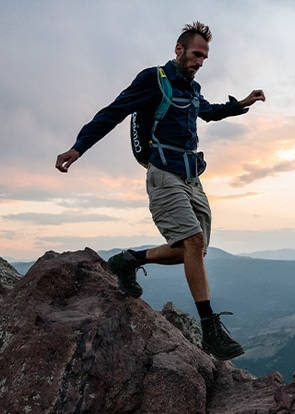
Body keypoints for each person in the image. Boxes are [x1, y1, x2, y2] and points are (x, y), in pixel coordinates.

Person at [55, 21, 265, 360]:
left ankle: (130, 260)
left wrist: (241, 103)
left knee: (191, 251)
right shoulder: (153, 79)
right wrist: (78, 148)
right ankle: (210, 331)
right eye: (197, 54)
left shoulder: (192, 90)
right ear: (179, 49)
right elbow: (113, 113)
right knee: (194, 242)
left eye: (205, 58)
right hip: (163, 174)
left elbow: (207, 113)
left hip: (192, 178)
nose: (200, 62)